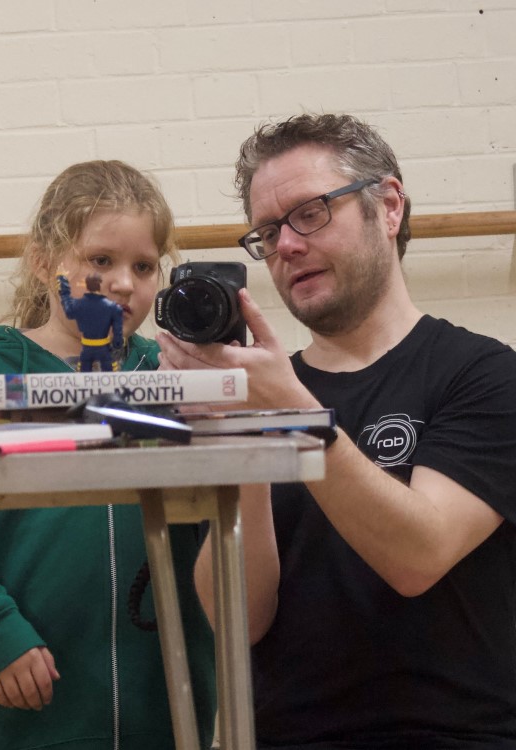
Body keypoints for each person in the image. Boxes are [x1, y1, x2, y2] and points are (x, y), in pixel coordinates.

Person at [157, 114, 516, 748]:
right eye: (267, 232)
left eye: (311, 213)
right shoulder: (264, 397)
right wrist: (236, 438)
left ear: (389, 206)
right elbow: (239, 620)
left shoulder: (484, 375)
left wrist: (294, 415)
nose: (286, 245)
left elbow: (418, 555)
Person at [0, 161, 216, 750]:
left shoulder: (172, 376)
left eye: (143, 265)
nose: (124, 284)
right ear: (43, 261)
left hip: (168, 715)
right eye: (100, 260)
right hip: (23, 716)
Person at [56, 270, 124, 371]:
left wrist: (64, 287)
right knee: (110, 378)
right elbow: (117, 331)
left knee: (84, 378)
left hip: (87, 348)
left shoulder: (79, 304)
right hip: (104, 348)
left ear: (86, 285)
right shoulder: (112, 307)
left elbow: (69, 312)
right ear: (99, 285)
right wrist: (117, 344)